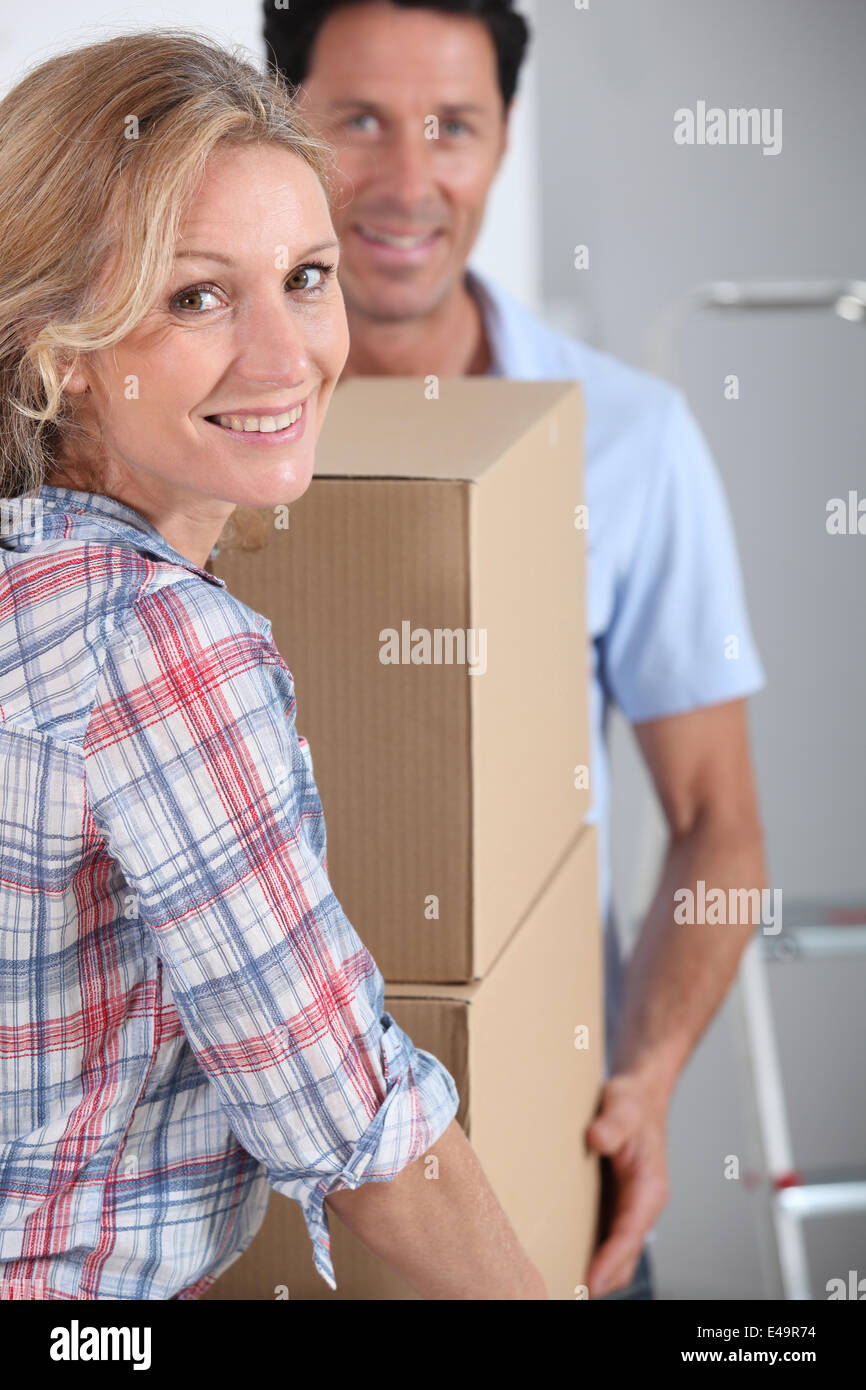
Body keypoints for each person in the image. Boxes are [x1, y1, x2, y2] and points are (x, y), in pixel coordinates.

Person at [0, 30, 545, 1301]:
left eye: (305, 277)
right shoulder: (150, 642)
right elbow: (355, 1132)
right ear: (59, 346)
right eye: (194, 295)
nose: (283, 353)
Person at [263, 0, 769, 1300]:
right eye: (358, 121)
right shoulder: (187, 444)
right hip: (241, 1204)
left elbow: (717, 821)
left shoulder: (631, 442)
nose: (407, 178)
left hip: (539, 1162)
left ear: (499, 144)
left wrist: (642, 1082)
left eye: (453, 128)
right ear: (280, 122)